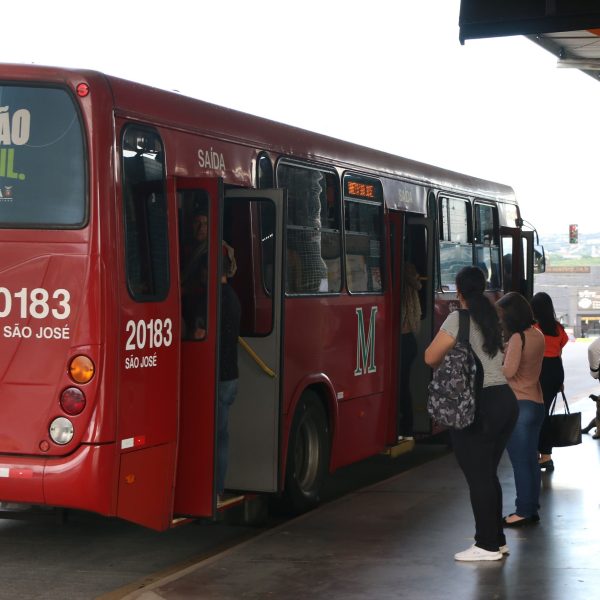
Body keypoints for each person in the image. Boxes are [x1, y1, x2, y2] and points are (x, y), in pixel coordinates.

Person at [425, 266, 518, 562]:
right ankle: (497, 540)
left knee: (478, 477)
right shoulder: (493, 316)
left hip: (476, 405)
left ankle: (487, 545)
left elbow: (430, 357)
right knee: (487, 474)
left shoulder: (458, 318)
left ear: (459, 290)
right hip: (505, 400)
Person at [496, 292, 545, 527]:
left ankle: (523, 511)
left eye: (503, 315)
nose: (501, 320)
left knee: (520, 461)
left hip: (519, 404)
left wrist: (497, 361)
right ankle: (531, 507)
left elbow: (508, 371)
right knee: (531, 460)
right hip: (536, 402)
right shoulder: (537, 334)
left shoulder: (518, 337)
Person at [531, 292, 569, 471]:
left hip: (541, 370)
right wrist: (560, 381)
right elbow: (559, 353)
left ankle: (544, 456)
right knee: (543, 412)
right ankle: (543, 454)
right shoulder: (558, 328)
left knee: (540, 414)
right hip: (555, 371)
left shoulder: (534, 328)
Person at [216, 248, 241, 503]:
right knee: (222, 436)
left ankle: (214, 489)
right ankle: (218, 489)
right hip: (231, 375)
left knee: (215, 437)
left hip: (219, 377)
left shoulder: (215, 300)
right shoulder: (233, 297)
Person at [398, 262, 422, 440]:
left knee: (401, 386)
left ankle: (406, 428)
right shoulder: (412, 286)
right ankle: (406, 427)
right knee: (403, 385)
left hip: (403, 340)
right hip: (410, 340)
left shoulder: (402, 288)